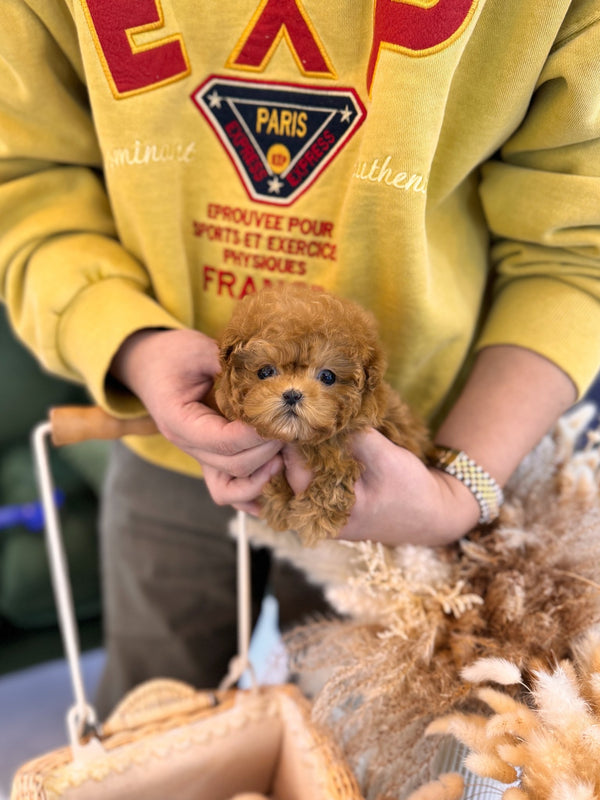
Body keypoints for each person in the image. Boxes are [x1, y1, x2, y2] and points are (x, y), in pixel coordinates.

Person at [1, 1, 599, 716]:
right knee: (149, 716)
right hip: (165, 451)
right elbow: (25, 183)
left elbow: (576, 248)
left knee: (361, 735)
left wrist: (458, 490)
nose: (291, 391)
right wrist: (131, 342)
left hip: (414, 466)